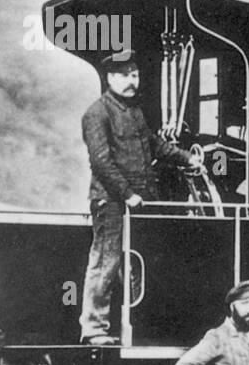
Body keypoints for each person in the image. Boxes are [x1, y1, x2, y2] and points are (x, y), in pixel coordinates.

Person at [80, 52, 202, 345]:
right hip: (111, 203)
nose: (132, 81)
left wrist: (188, 158)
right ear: (110, 78)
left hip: (139, 204)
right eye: (124, 75)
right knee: (105, 262)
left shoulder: (134, 113)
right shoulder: (97, 113)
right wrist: (128, 194)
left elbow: (156, 145)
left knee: (137, 264)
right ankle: (94, 329)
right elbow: (101, 162)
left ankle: (138, 324)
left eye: (135, 75)